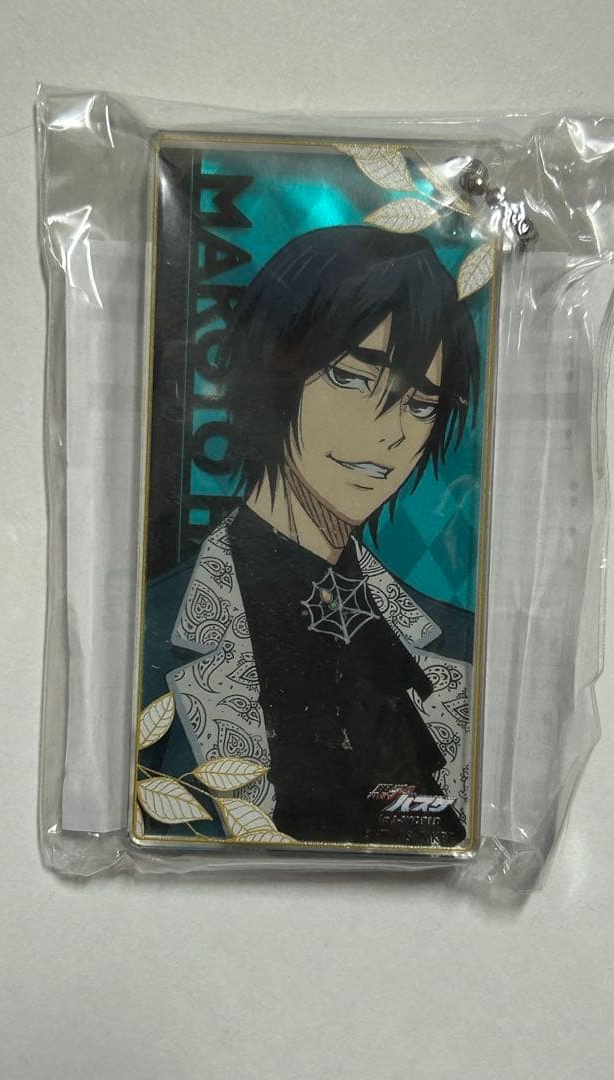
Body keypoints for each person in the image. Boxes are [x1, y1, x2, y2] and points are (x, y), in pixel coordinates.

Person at [158, 225, 479, 847]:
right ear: (272, 371)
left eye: (420, 405)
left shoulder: (458, 643)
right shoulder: (153, 628)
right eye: (353, 379)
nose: (390, 432)